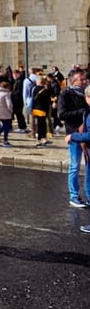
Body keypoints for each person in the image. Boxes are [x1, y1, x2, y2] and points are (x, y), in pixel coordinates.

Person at [57, 67, 89, 207]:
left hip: (87, 135)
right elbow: (62, 114)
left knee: (88, 166)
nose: (84, 81)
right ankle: (74, 195)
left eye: (85, 79)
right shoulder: (65, 95)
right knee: (75, 166)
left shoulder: (87, 94)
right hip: (74, 134)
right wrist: (82, 112)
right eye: (81, 79)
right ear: (74, 81)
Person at [0, 79, 14, 146]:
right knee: (6, 127)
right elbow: (9, 104)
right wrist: (11, 110)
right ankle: (5, 140)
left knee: (4, 125)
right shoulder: (6, 94)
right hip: (6, 112)